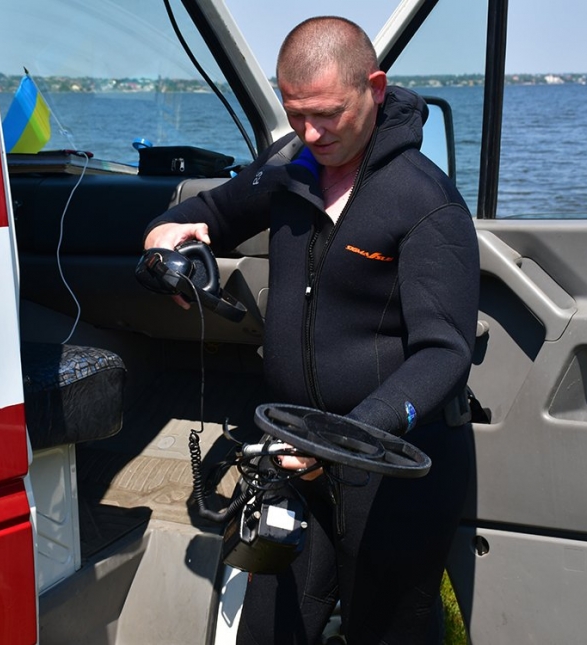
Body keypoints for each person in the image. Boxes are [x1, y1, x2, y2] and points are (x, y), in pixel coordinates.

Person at [143, 16, 479, 645]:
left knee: (388, 630)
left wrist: (344, 438)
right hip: (295, 454)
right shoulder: (291, 168)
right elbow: (213, 210)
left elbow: (444, 354)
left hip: (389, 467)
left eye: (326, 114)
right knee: (267, 628)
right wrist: (167, 231)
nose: (310, 133)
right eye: (295, 114)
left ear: (374, 88)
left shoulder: (424, 200)